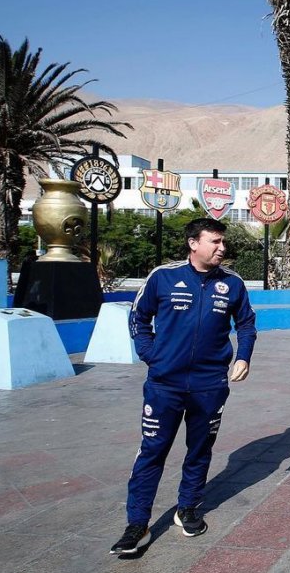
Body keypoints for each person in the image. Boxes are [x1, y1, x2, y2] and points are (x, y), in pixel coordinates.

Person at [110, 218, 257, 555]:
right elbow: (138, 318)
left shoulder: (232, 284)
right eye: (215, 242)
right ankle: (137, 524)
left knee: (199, 450)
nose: (222, 248)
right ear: (194, 243)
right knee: (152, 452)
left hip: (210, 385)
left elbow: (246, 324)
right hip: (165, 385)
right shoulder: (163, 277)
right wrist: (152, 356)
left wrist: (243, 357)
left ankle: (188, 508)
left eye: (223, 242)